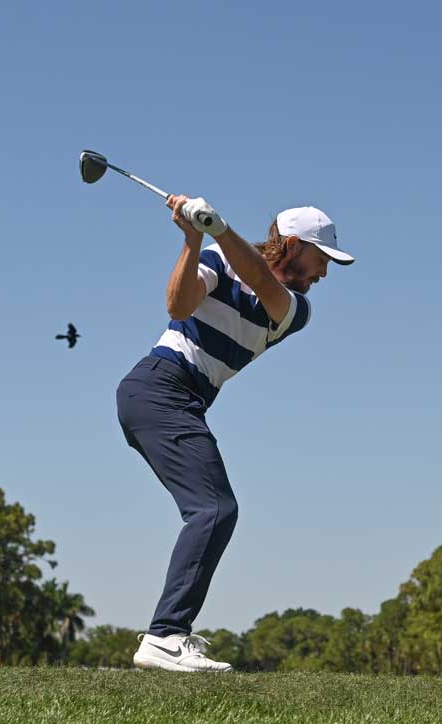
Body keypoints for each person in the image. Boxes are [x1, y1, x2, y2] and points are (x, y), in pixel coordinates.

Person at [120, 196, 355, 672]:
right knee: (214, 508)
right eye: (320, 258)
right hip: (158, 386)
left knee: (214, 509)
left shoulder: (295, 309)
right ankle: (165, 635)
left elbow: (263, 282)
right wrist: (193, 241)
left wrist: (216, 230)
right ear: (291, 245)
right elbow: (177, 304)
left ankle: (167, 632)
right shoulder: (218, 258)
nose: (324, 273)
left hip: (180, 399)